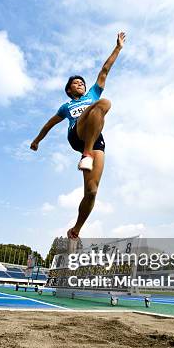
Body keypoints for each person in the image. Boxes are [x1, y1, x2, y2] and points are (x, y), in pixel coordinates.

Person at [30, 32, 126, 239]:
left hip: (95, 141)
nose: (81, 84)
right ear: (69, 90)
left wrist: (118, 47)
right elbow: (49, 125)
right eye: (76, 83)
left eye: (82, 82)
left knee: (91, 192)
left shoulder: (93, 94)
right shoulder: (67, 106)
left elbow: (105, 69)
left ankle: (75, 230)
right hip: (77, 134)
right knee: (103, 104)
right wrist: (37, 141)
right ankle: (87, 154)